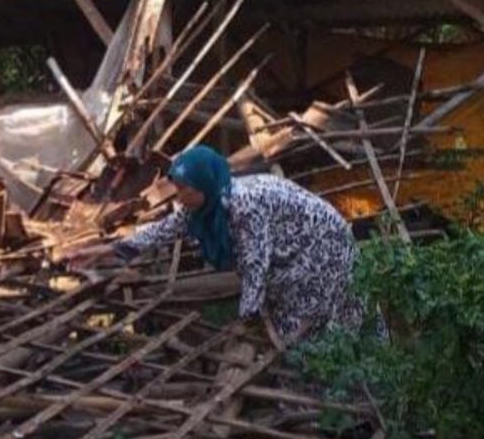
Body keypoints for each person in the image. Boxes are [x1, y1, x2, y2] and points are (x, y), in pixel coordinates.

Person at [69, 146, 365, 346]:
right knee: (290, 320)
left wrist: (245, 319)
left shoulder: (243, 206)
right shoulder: (205, 204)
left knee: (306, 325)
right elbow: (161, 231)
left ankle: (326, 404)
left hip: (321, 247)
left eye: (185, 188)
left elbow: (255, 265)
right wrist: (103, 251)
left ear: (204, 184)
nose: (179, 195)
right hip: (292, 252)